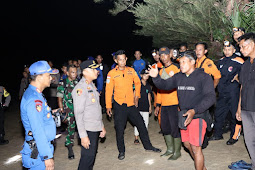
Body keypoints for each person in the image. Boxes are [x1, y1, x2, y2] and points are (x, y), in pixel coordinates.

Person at [148, 50, 216, 170]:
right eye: (180, 62)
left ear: (193, 62)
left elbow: (210, 98)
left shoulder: (203, 77)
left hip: (198, 115)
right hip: (183, 115)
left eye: (184, 62)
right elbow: (165, 85)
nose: (181, 65)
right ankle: (202, 167)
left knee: (196, 148)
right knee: (186, 144)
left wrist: (194, 110)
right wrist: (156, 77)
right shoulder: (179, 76)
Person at [105, 50, 161, 160]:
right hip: (119, 105)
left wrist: (137, 97)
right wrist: (108, 106)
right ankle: (121, 151)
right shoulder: (111, 73)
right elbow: (108, 90)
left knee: (141, 125)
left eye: (124, 59)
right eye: (119, 59)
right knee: (120, 129)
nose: (122, 61)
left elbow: (138, 83)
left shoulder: (131, 71)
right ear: (116, 60)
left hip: (131, 105)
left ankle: (148, 146)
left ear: (126, 59)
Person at [20, 61, 59, 170]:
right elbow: (37, 129)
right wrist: (46, 156)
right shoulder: (33, 99)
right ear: (39, 77)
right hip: (38, 154)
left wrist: (51, 114)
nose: (51, 78)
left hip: (42, 147)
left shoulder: (36, 93)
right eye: (48, 75)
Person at [72, 60, 106, 170]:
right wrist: (83, 135)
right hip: (87, 129)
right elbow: (78, 113)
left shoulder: (91, 85)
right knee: (87, 158)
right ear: (85, 72)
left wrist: (101, 126)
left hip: (94, 127)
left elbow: (96, 108)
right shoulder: (80, 88)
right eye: (94, 69)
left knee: (91, 157)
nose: (97, 71)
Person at [209, 41, 244, 145]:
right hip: (222, 92)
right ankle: (217, 134)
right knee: (219, 113)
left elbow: (246, 76)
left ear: (234, 50)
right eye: (225, 49)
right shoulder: (221, 61)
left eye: (229, 49)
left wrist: (239, 78)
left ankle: (234, 136)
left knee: (234, 115)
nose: (227, 51)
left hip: (234, 93)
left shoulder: (240, 61)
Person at [154, 47, 181, 160]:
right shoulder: (160, 71)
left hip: (174, 103)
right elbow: (159, 90)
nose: (163, 57)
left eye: (165, 54)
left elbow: (180, 88)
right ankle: (169, 149)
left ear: (170, 55)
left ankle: (177, 151)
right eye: (161, 55)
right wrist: (157, 105)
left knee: (175, 128)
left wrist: (181, 104)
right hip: (164, 104)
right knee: (165, 128)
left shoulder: (176, 69)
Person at [236, 32, 255, 170]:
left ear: (252, 45)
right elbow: (242, 87)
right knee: (249, 140)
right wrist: (239, 108)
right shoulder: (245, 65)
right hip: (246, 109)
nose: (241, 50)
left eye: (243, 47)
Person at [57, 64, 79, 159]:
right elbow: (59, 98)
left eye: (76, 72)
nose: (75, 74)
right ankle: (70, 148)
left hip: (79, 109)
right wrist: (62, 112)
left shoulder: (78, 82)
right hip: (68, 110)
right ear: (67, 73)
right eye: (73, 72)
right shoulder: (63, 83)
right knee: (71, 129)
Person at [133, 69, 152, 144]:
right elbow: (134, 93)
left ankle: (144, 137)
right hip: (139, 106)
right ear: (141, 75)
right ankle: (136, 137)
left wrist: (150, 106)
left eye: (147, 74)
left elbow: (149, 95)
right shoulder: (138, 84)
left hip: (146, 106)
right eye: (144, 74)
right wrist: (134, 104)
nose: (146, 76)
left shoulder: (147, 85)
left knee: (146, 122)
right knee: (138, 122)